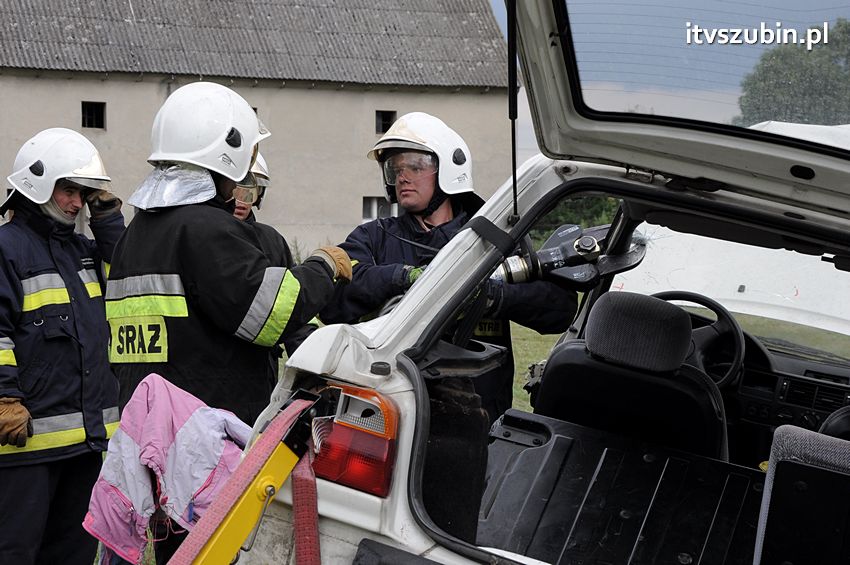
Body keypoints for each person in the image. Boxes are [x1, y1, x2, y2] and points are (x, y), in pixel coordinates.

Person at [105, 82, 351, 427]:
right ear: (227, 152)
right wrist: (323, 266)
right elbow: (270, 312)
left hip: (149, 427)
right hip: (207, 432)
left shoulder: (137, 232)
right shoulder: (205, 227)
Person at [320, 112, 577, 423]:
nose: (402, 176)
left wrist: (493, 297)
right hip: (392, 412)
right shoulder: (373, 237)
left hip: (478, 413)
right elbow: (334, 300)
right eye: (395, 168)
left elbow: (559, 309)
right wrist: (403, 277)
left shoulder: (493, 239)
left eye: (415, 166)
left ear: (449, 169)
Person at [0, 128, 124, 564]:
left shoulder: (83, 251)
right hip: (24, 444)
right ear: (36, 184)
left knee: (72, 554)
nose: (76, 203)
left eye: (83, 195)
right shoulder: (6, 248)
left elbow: (126, 279)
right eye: (68, 191)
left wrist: (108, 222)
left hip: (86, 443)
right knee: (15, 553)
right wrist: (3, 396)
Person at [230, 152, 315, 357]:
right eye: (235, 188)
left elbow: (295, 308)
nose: (241, 200)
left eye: (250, 191)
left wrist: (312, 365)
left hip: (260, 367)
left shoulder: (271, 241)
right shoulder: (202, 236)